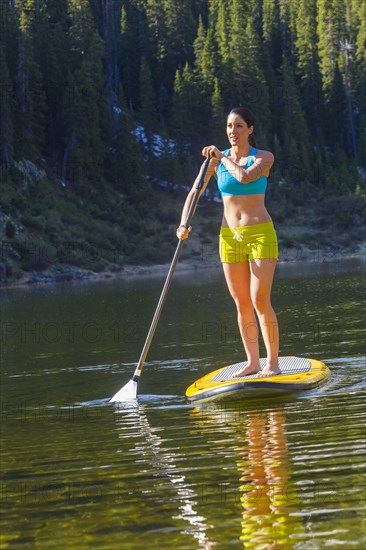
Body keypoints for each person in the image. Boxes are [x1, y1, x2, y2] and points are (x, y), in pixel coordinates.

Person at [176, 107, 280, 377]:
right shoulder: (213, 163)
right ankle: (252, 363)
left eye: (239, 126)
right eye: (229, 126)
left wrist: (222, 156)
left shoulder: (264, 157)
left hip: (261, 235)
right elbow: (194, 192)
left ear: (250, 129)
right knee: (242, 302)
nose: (233, 131)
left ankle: (272, 363)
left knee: (259, 299)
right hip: (229, 238)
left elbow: (245, 177)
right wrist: (183, 222)